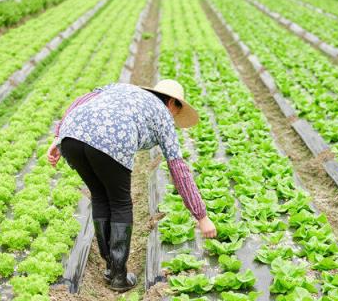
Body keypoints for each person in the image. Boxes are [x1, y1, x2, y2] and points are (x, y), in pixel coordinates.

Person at [47, 80, 216, 292]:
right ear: (172, 103)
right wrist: (201, 216)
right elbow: (179, 169)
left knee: (100, 196)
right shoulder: (163, 115)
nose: (174, 117)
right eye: (177, 111)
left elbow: (81, 100)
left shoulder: (121, 88)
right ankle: (118, 276)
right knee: (120, 203)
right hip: (110, 141)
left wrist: (57, 136)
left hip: (71, 136)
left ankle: (110, 267)